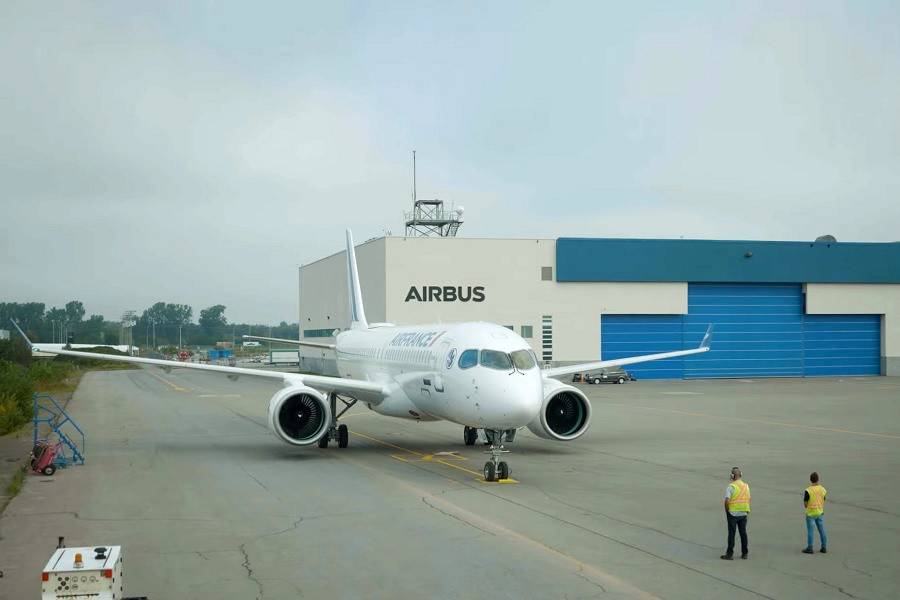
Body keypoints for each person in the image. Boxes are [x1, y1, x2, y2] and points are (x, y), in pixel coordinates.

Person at [721, 466, 750, 560]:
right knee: (743, 533)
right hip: (743, 513)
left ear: (732, 476)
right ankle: (745, 553)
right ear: (741, 475)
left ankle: (729, 554)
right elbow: (748, 498)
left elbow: (726, 501)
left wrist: (727, 512)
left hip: (733, 513)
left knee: (732, 534)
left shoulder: (731, 486)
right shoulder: (746, 486)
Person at [803, 471, 828, 554]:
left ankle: (810, 548)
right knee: (822, 530)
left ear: (810, 480)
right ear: (818, 479)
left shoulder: (808, 490)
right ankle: (824, 547)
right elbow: (824, 499)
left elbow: (805, 504)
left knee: (810, 531)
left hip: (810, 513)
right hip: (820, 512)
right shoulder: (823, 489)